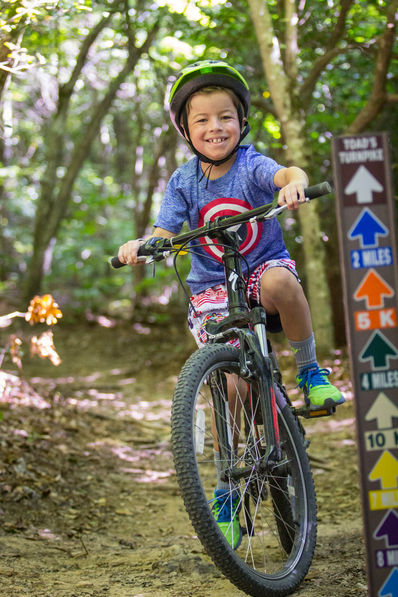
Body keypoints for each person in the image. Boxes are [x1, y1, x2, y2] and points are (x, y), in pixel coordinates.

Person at [118, 60, 345, 548]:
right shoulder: (184, 181)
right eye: (201, 120)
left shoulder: (251, 165)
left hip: (261, 271)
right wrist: (143, 245)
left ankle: (310, 373)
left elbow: (288, 170)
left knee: (284, 281)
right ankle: (226, 487)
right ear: (186, 129)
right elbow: (164, 231)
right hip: (211, 289)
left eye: (225, 117)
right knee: (232, 389)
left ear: (241, 123)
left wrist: (291, 184)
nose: (215, 127)